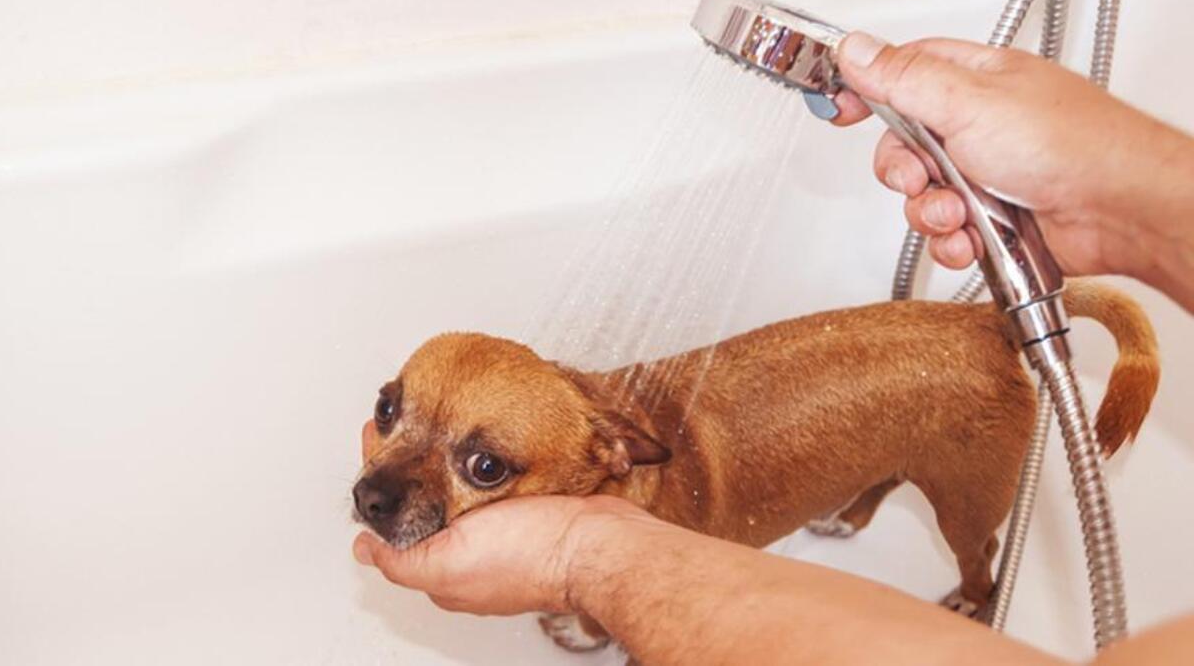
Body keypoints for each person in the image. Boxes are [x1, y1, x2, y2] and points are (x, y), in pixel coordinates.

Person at [352, 33, 1194, 665]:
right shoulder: (559, 416)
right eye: (393, 410)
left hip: (966, 395)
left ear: (609, 453)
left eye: (485, 466)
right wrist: (1120, 192)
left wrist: (583, 564)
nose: (381, 483)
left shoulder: (589, 439)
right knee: (875, 439)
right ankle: (863, 493)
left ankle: (976, 585)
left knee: (968, 533)